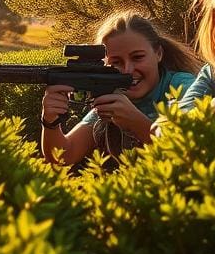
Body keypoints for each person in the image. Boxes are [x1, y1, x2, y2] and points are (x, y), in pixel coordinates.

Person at [41, 10, 201, 167]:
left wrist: (136, 122)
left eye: (137, 57)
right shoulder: (110, 95)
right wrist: (50, 121)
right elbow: (63, 157)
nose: (128, 70)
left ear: (158, 53)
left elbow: (192, 155)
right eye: (116, 62)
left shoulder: (182, 86)